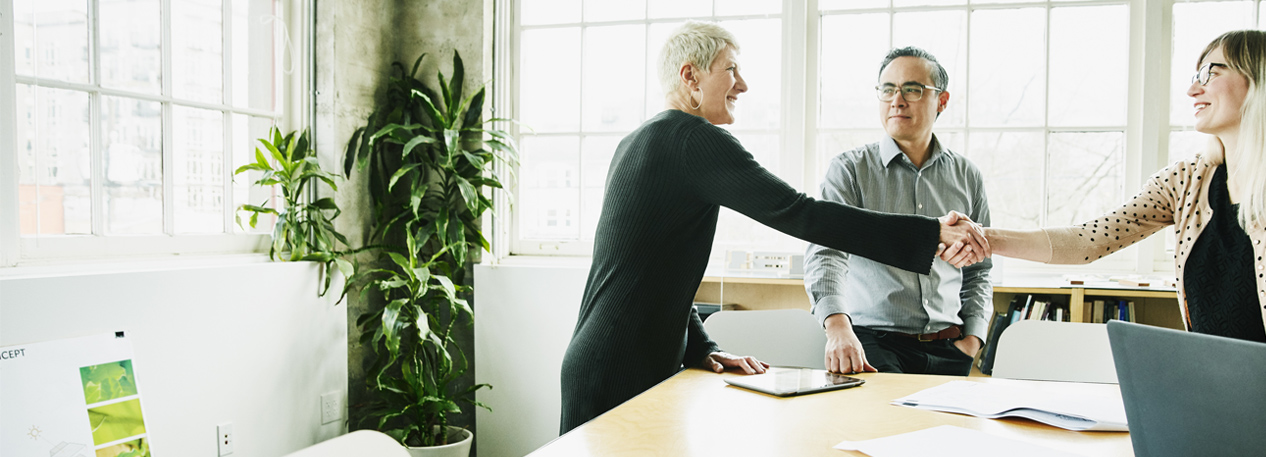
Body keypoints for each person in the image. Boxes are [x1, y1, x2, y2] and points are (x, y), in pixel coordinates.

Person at [558, 22, 990, 434]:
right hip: (622, 366)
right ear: (691, 77)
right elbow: (798, 212)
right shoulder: (695, 140)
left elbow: (655, 271)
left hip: (607, 357)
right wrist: (928, 234)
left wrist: (703, 347)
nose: (742, 85)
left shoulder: (643, 139)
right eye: (731, 70)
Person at [986, 29, 1266, 343]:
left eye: (1209, 73)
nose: (1192, 90)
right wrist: (987, 239)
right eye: (1194, 75)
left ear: (1257, 78)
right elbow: (1087, 241)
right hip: (1212, 381)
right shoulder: (1186, 181)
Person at [803, 47, 992, 376]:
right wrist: (837, 328)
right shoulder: (849, 170)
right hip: (874, 346)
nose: (897, 100)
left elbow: (980, 269)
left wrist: (973, 338)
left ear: (942, 101)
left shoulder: (967, 175)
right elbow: (826, 254)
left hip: (949, 348)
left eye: (912, 89)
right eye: (887, 89)